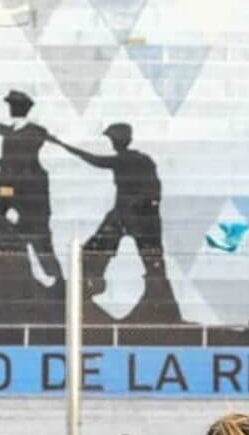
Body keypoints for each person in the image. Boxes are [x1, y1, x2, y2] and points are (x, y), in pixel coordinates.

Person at [51, 123, 178, 316]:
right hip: (126, 214)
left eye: (113, 139)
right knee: (101, 251)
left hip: (135, 216)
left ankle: (161, 303)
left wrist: (61, 144)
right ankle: (90, 285)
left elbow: (95, 160)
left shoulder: (132, 160)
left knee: (152, 260)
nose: (113, 143)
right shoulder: (137, 160)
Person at [0, 88, 64, 286]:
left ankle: (58, 282)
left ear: (20, 108)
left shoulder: (34, 132)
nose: (10, 109)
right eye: (10, 105)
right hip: (13, 191)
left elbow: (24, 171)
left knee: (40, 242)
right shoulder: (11, 131)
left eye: (13, 106)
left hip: (29, 196)